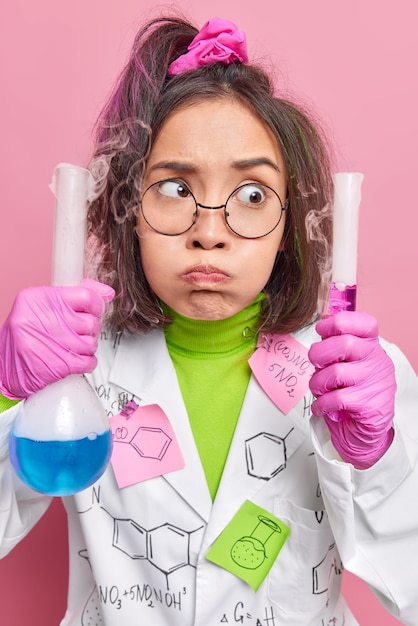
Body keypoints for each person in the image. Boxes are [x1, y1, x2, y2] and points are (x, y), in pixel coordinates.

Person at [0, 15, 417, 626]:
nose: (210, 233)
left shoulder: (355, 376)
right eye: (173, 188)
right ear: (128, 211)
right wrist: (10, 393)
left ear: (291, 225)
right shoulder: (74, 364)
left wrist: (378, 459)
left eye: (252, 195)